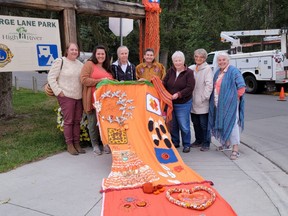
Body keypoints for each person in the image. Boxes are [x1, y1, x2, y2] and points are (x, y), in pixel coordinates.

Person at [47, 42, 85, 155]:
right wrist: (58, 92)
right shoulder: (60, 61)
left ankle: (77, 143)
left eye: (76, 50)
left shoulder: (80, 64)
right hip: (66, 96)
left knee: (77, 121)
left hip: (78, 97)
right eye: (72, 49)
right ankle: (70, 144)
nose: (74, 52)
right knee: (68, 121)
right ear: (67, 50)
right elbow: (51, 77)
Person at [208, 51, 246, 160]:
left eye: (224, 60)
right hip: (219, 104)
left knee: (232, 124)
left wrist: (233, 99)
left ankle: (235, 150)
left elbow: (242, 87)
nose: (221, 62)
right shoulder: (218, 73)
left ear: (228, 60)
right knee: (223, 123)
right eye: (219, 60)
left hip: (230, 105)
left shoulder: (233, 71)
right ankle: (226, 144)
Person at [80, 45, 114, 155]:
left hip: (105, 102)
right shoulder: (89, 64)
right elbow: (84, 80)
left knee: (105, 123)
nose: (100, 56)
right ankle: (95, 145)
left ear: (105, 55)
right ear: (95, 54)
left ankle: (105, 143)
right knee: (93, 123)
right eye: (98, 53)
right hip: (92, 100)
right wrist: (100, 80)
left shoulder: (107, 67)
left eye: (102, 54)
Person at [163, 51, 195, 153]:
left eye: (179, 60)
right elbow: (164, 82)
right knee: (173, 124)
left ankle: (186, 144)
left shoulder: (189, 72)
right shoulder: (170, 71)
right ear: (173, 61)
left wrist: (179, 94)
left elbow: (190, 87)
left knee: (184, 125)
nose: (178, 63)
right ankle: (175, 142)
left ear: (183, 61)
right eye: (175, 61)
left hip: (183, 103)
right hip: (171, 103)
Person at [189, 49, 213, 151]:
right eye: (196, 56)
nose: (198, 59)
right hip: (192, 101)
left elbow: (209, 85)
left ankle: (206, 143)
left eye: (201, 57)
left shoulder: (207, 69)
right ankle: (198, 140)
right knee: (195, 123)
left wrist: (204, 98)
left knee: (204, 124)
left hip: (202, 102)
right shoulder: (191, 68)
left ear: (204, 58)